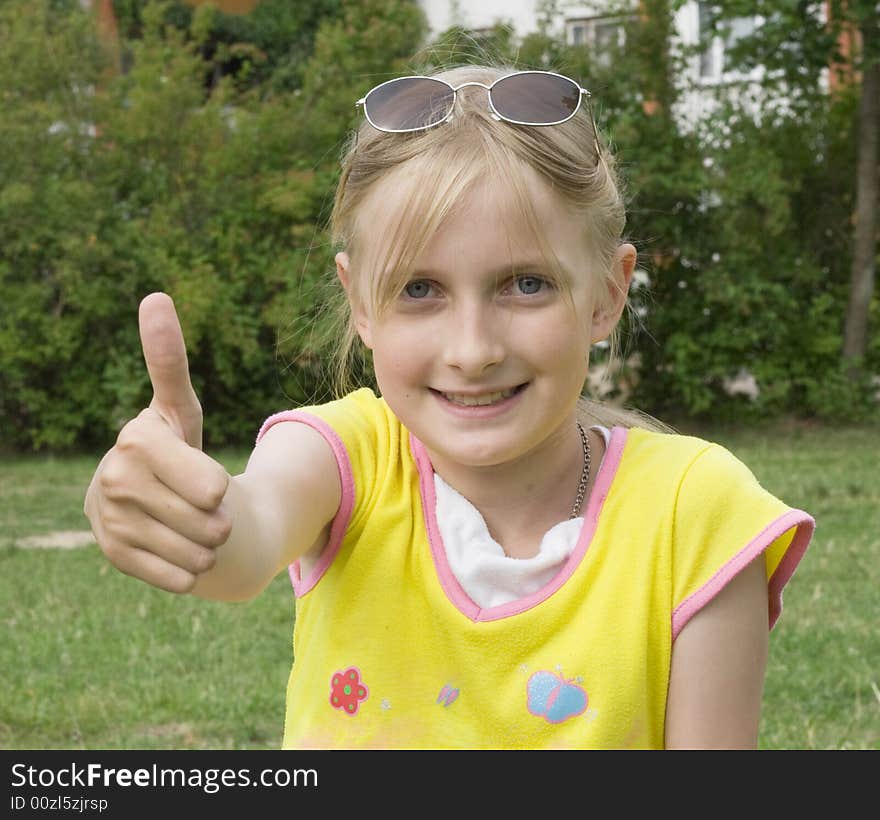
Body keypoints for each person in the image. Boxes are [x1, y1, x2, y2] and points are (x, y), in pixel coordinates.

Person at [84, 63, 815, 750]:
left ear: (608, 293)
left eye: (525, 284)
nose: (472, 349)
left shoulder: (698, 515)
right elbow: (245, 546)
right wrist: (180, 509)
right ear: (360, 303)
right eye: (419, 290)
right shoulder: (345, 459)